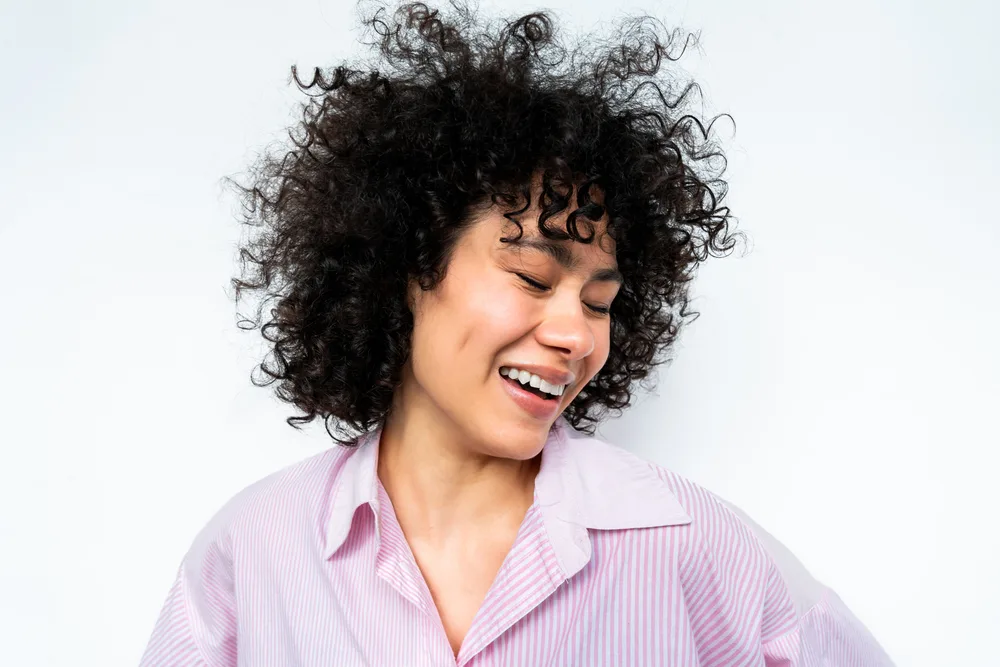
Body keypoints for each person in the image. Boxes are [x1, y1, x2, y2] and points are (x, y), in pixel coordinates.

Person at [139, 2, 895, 665]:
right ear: (410, 264)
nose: (576, 334)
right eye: (534, 278)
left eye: (599, 302)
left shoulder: (687, 541)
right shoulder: (254, 549)